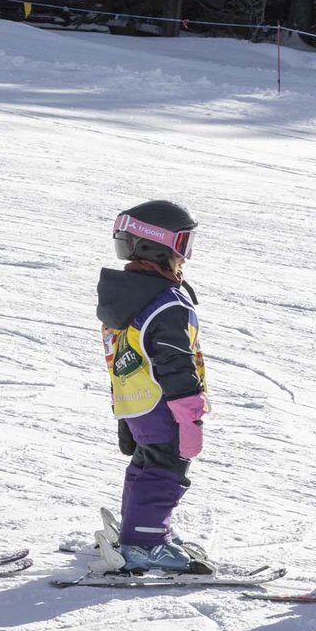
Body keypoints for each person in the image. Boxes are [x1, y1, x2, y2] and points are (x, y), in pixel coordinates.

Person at [97, 199, 211, 573]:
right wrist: (190, 417)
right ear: (157, 247)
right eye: (183, 246)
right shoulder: (165, 302)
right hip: (165, 407)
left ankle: (142, 528)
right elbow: (176, 364)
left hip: (138, 404)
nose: (186, 258)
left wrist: (124, 414)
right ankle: (144, 542)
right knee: (166, 469)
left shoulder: (127, 296)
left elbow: (122, 357)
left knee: (146, 464)